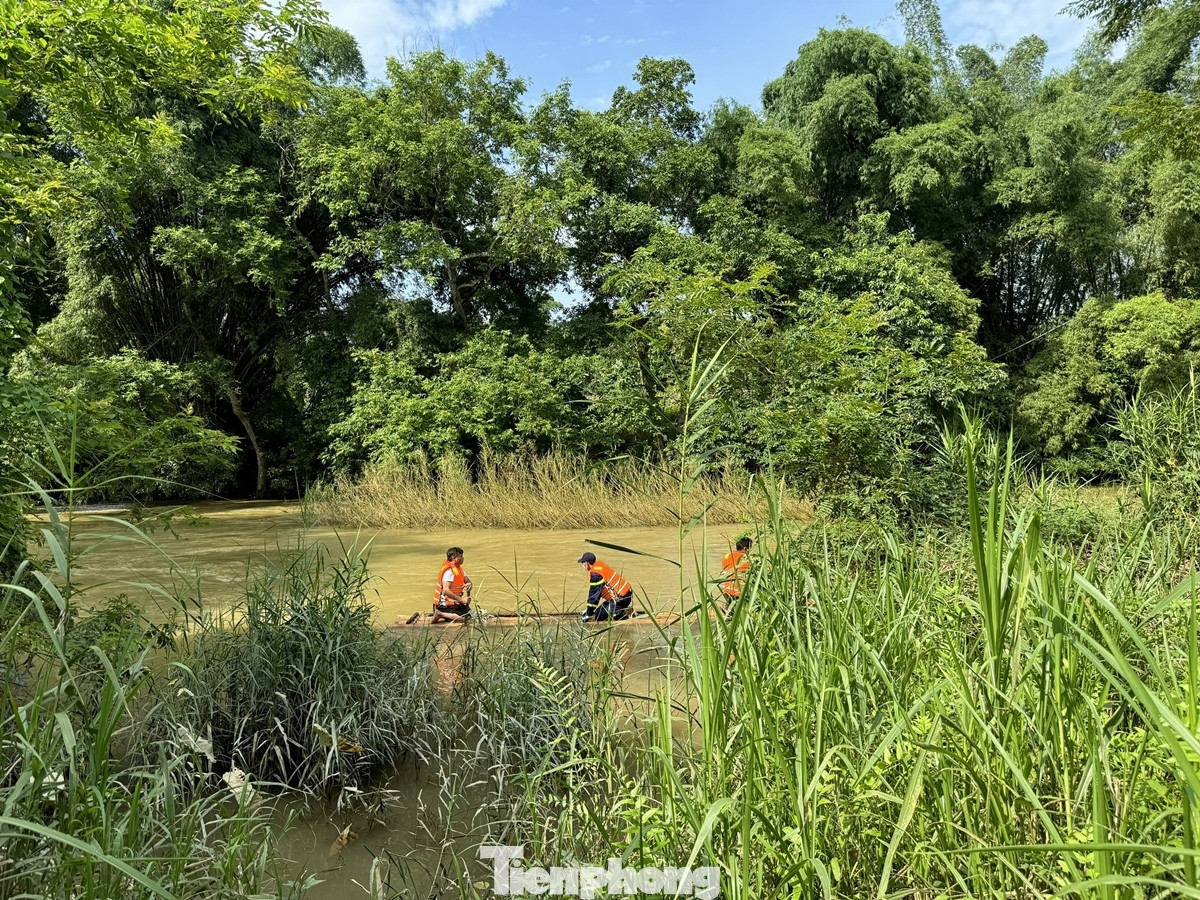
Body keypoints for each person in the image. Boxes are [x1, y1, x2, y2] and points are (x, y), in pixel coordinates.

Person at [578, 552, 634, 622]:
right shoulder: (599, 566)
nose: (583, 565)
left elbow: (594, 596)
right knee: (598, 613)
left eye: (583, 562)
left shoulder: (595, 575)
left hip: (621, 599)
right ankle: (621, 611)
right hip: (625, 594)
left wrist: (588, 614)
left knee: (599, 617)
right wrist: (589, 610)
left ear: (587, 563)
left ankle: (620, 615)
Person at [431, 547, 472, 623]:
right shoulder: (449, 571)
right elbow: (446, 590)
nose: (463, 558)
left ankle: (443, 614)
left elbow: (468, 582)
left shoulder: (459, 569)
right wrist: (462, 600)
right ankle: (440, 614)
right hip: (443, 605)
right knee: (466, 619)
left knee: (470, 614)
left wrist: (469, 585)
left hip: (454, 603)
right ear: (454, 558)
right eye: (461, 556)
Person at [719, 537, 752, 612]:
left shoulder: (727, 555)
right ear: (745, 548)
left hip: (725, 587)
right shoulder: (746, 558)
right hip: (738, 590)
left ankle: (728, 607)